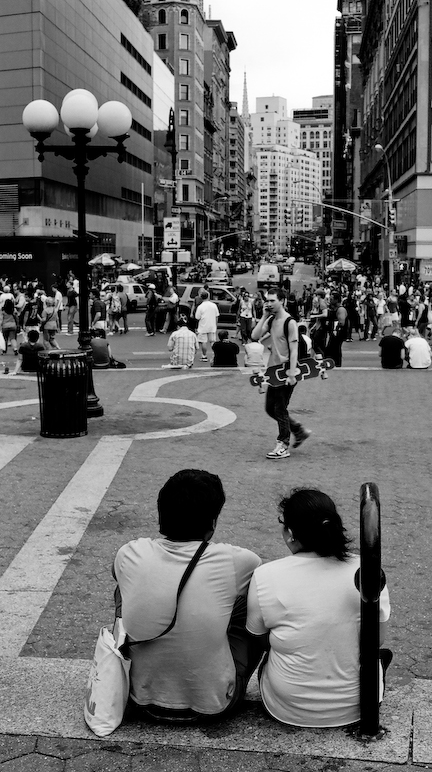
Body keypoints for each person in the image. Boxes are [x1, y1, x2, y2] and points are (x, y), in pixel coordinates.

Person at [113, 469, 262, 723]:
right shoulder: (238, 560)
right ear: (213, 522)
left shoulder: (129, 552)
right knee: (255, 598)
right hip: (214, 705)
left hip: (140, 702)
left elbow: (118, 579)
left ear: (162, 514)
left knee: (122, 589)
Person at [246, 488, 391, 728]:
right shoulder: (367, 569)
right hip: (358, 704)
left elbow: (259, 639)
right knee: (380, 656)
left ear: (291, 533)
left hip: (288, 705)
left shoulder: (265, 576)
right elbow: (377, 640)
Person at [251, 288, 310, 460]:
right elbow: (255, 336)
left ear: (282, 301)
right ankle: (299, 431)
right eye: (267, 301)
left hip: (286, 370)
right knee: (270, 408)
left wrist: (292, 373)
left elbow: (293, 350)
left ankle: (283, 444)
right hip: (273, 370)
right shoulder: (271, 320)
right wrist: (263, 316)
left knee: (279, 408)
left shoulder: (289, 322)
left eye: (272, 301)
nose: (268, 303)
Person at [195, 289, 219, 363]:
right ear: (208, 297)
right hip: (212, 326)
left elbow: (197, 317)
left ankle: (204, 356)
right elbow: (216, 316)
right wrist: (215, 325)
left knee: (203, 342)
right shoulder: (213, 305)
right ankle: (215, 355)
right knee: (212, 342)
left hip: (203, 326)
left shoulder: (200, 307)